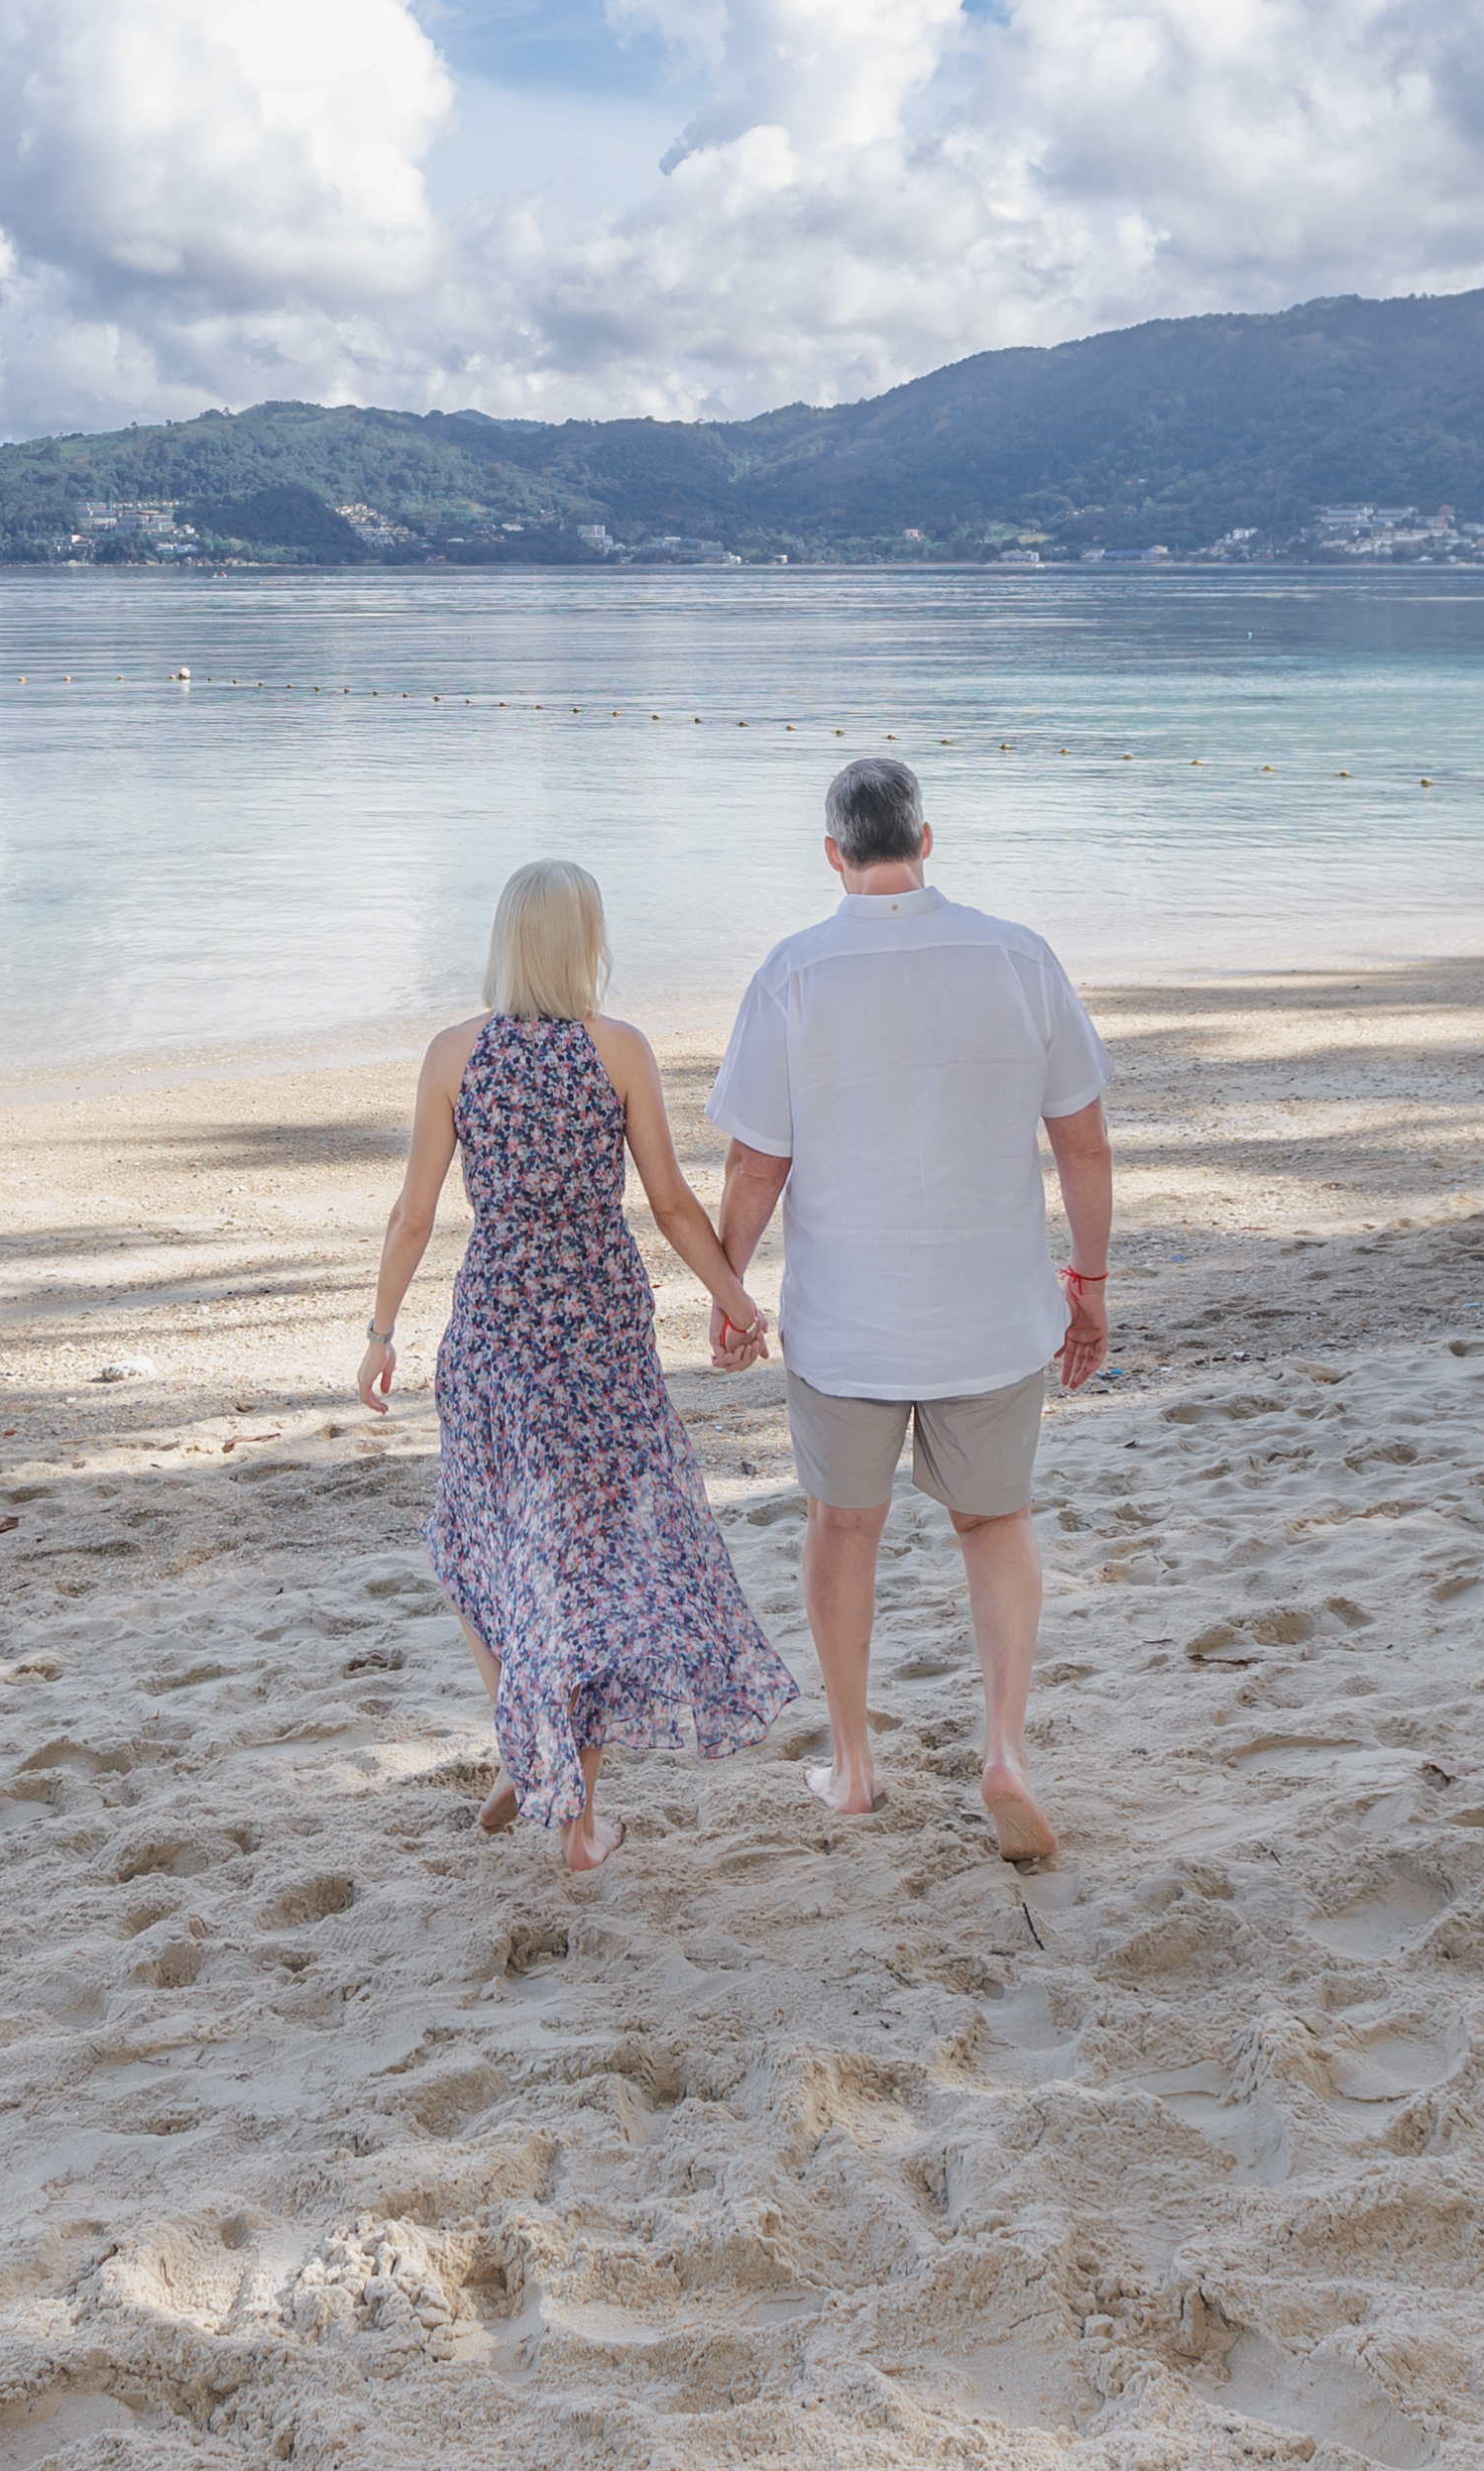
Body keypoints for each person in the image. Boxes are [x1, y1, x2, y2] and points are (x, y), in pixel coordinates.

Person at [699, 756, 1112, 1865]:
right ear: (929, 840)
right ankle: (1007, 1750)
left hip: (850, 1320)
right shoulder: (1019, 954)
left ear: (834, 854)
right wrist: (1093, 1281)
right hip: (994, 1306)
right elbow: (1082, 1137)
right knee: (995, 1520)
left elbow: (753, 1165)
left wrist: (732, 1293)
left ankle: (854, 1765)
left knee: (844, 1525)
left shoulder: (794, 971)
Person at [355, 859, 795, 1874]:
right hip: (598, 1340)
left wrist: (380, 1330)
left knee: (478, 1541)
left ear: (507, 941)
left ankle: (528, 1730)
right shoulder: (619, 1051)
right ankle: (578, 1812)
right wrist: (735, 1301)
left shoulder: (453, 1055)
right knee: (584, 1568)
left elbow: (413, 1214)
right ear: (585, 942)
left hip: (496, 1335)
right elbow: (675, 1205)